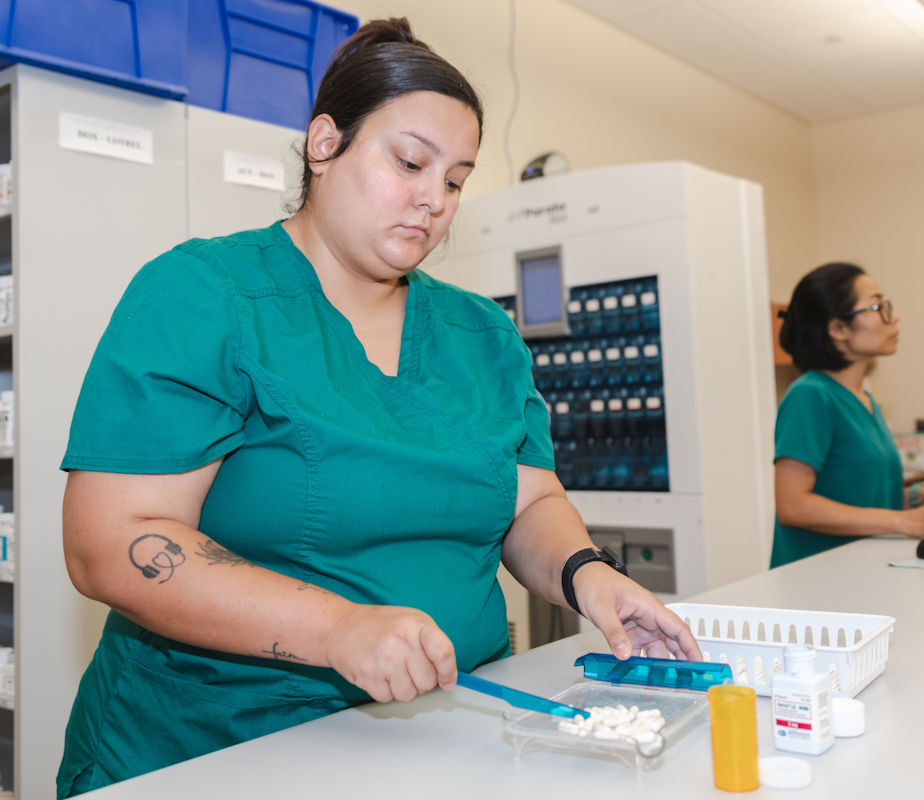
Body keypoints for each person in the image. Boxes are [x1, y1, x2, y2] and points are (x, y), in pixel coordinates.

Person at [57, 19, 700, 796]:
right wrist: (337, 629)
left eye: (456, 180)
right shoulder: (204, 295)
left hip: (448, 735)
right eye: (409, 163)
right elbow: (108, 543)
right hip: (219, 748)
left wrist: (587, 576)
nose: (434, 200)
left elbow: (528, 499)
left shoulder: (482, 335)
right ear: (324, 144)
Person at [771, 262, 924, 567]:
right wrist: (905, 521)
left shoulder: (863, 398)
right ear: (838, 329)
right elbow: (793, 506)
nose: (893, 317)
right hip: (817, 580)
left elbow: (863, 495)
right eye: (878, 306)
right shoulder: (810, 395)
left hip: (862, 571)